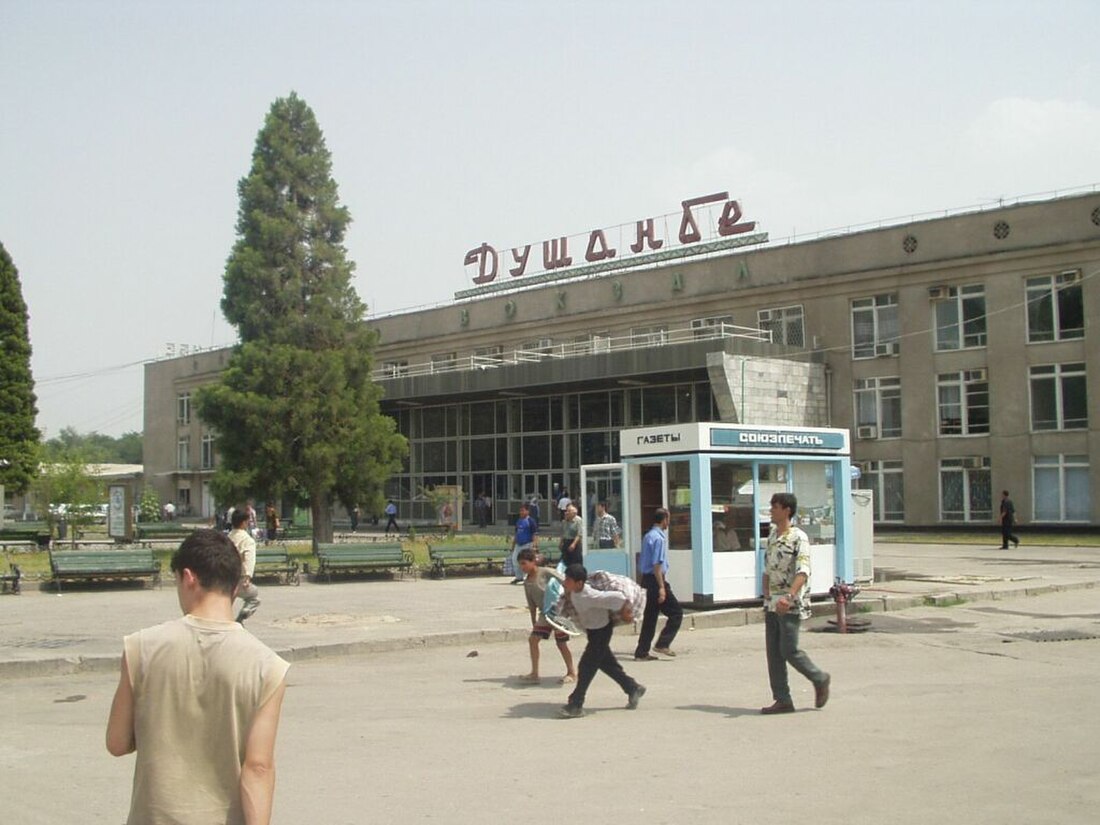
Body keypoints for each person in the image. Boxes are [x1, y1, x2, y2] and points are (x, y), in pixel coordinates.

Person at [106, 529, 289, 825]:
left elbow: (117, 742)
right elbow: (258, 768)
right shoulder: (268, 666)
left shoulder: (140, 647)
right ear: (234, 587)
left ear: (188, 578)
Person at [761, 492, 830, 715]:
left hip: (789, 603)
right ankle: (782, 699)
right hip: (771, 603)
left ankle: (819, 677)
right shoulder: (772, 536)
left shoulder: (798, 537)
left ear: (787, 510)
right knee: (773, 654)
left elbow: (803, 571)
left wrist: (789, 596)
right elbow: (767, 569)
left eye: (775, 507)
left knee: (788, 649)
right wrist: (765, 595)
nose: (771, 510)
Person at [558, 564, 645, 718]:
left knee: (586, 666)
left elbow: (620, 598)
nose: (565, 582)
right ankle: (632, 688)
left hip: (602, 632)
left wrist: (626, 613)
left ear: (579, 583)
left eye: (568, 580)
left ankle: (576, 704)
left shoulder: (591, 595)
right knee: (607, 664)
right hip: (592, 632)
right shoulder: (573, 592)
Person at [516, 548, 576, 684]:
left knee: (561, 643)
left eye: (524, 563)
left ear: (533, 562)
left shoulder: (545, 572)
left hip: (558, 612)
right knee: (533, 640)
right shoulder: (527, 582)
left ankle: (572, 672)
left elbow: (564, 582)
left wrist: (567, 599)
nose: (522, 567)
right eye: (520, 564)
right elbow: (531, 604)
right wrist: (533, 620)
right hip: (544, 614)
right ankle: (534, 673)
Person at [634, 508, 683, 660]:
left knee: (650, 618)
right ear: (664, 520)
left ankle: (641, 652)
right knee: (676, 613)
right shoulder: (659, 539)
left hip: (647, 581)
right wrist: (662, 588)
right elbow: (657, 565)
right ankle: (662, 643)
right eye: (668, 519)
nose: (669, 523)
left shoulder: (648, 535)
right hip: (656, 580)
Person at [229, 509, 261, 622]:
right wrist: (248, 576)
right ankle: (243, 614)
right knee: (254, 597)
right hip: (239, 578)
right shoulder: (247, 540)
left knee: (227, 602)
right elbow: (249, 559)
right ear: (243, 523)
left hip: (224, 577)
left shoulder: (227, 538)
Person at [509, 503, 538, 583]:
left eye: (523, 511)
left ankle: (527, 577)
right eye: (520, 511)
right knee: (515, 559)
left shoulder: (531, 521)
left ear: (527, 511)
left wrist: (534, 546)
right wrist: (513, 546)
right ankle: (519, 577)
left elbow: (534, 534)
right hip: (518, 545)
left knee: (526, 562)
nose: (521, 512)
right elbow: (516, 534)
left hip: (527, 544)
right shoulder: (518, 521)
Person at [559, 503, 584, 568]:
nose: (567, 512)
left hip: (574, 542)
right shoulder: (564, 521)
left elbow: (579, 533)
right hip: (566, 542)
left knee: (576, 562)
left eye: (569, 511)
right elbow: (563, 533)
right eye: (567, 511)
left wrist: (573, 544)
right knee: (566, 561)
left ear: (574, 513)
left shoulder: (578, 520)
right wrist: (561, 542)